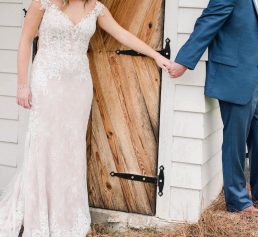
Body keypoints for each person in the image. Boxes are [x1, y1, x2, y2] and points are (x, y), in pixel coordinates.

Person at [0, 0, 171, 236]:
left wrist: (155, 56)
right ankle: (38, 214)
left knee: (71, 150)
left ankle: (68, 216)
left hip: (78, 87)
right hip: (47, 82)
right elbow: (25, 40)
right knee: (43, 146)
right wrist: (22, 85)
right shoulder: (44, 3)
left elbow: (122, 33)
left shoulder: (96, 8)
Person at [167, 0, 258, 218]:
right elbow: (207, 22)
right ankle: (238, 202)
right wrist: (183, 61)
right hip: (235, 77)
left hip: (257, 77)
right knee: (235, 141)